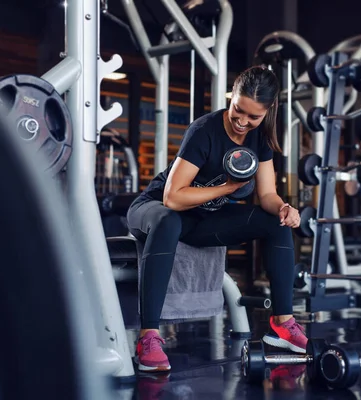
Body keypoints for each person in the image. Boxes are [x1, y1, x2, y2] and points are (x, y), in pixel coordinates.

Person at [126, 66, 307, 372]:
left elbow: (266, 195)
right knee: (168, 220)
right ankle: (148, 336)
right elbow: (173, 197)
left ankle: (282, 322)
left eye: (253, 117)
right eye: (238, 110)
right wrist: (228, 188)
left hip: (203, 220)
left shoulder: (259, 139)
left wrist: (283, 208)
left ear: (268, 112)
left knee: (274, 223)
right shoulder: (204, 131)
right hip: (157, 210)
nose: (242, 122)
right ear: (231, 97)